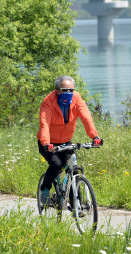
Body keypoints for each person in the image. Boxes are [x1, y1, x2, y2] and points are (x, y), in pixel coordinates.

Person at [37, 75, 102, 205]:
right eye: (64, 90)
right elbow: (44, 124)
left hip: (66, 141)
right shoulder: (48, 102)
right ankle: (45, 188)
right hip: (48, 143)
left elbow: (86, 118)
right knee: (57, 164)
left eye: (71, 90)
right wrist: (46, 143)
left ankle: (75, 205)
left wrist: (95, 136)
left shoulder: (77, 99)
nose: (68, 93)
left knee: (74, 169)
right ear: (57, 90)